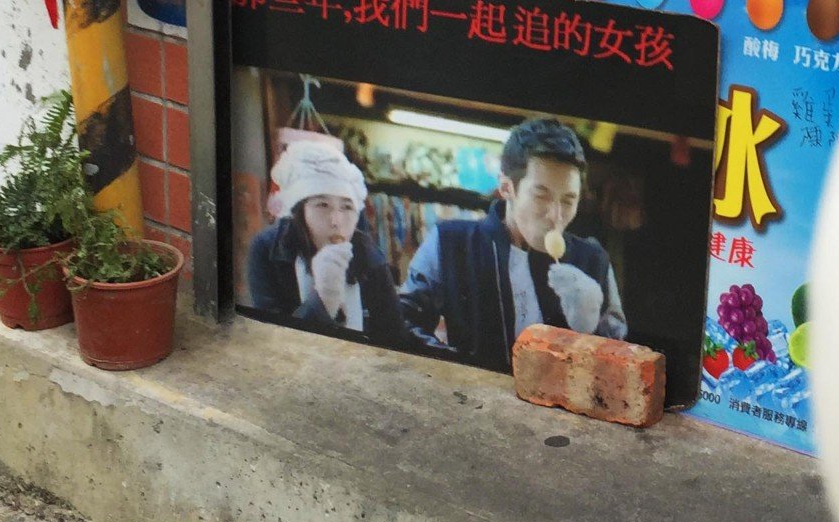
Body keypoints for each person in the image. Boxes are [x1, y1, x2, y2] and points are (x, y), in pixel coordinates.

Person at [398, 117, 625, 372]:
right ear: (507, 188)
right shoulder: (451, 243)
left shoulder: (593, 261)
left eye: (568, 200)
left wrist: (590, 333)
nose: (556, 215)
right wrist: (456, 369)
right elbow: (402, 322)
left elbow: (619, 364)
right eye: (541, 196)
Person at [245, 141, 400, 337]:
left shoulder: (369, 255)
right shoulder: (267, 249)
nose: (336, 221)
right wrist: (324, 298)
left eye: (347, 207)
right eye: (322, 205)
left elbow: (394, 337)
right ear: (300, 210)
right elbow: (271, 343)